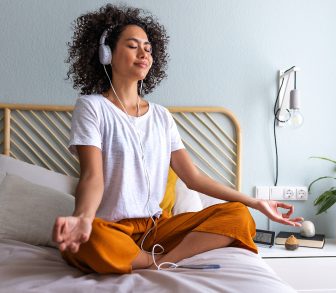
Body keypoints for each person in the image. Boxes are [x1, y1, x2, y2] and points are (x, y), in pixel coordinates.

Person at [52, 3, 303, 274]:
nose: (144, 53)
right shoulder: (91, 107)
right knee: (90, 240)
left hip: (157, 230)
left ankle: (158, 260)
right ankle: (138, 257)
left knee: (238, 215)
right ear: (107, 54)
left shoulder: (161, 116)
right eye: (133, 46)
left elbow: (193, 178)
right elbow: (92, 178)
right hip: (111, 228)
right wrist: (84, 219)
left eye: (148, 48)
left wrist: (254, 202)